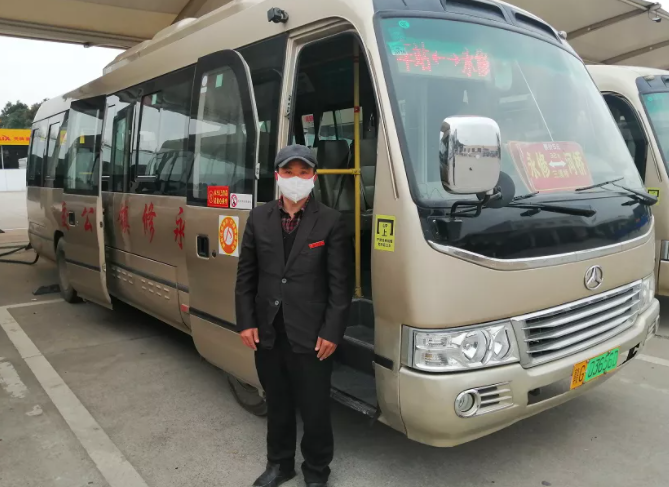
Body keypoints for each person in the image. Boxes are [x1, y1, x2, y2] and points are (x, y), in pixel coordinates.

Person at [235, 144, 353, 487]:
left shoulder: (330, 221)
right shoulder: (259, 218)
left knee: (315, 408)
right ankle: (280, 464)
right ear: (277, 176)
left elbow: (340, 285)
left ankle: (316, 471)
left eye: (303, 172)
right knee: (278, 402)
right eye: (289, 172)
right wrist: (246, 321)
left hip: (313, 334)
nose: (296, 179)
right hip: (268, 331)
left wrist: (332, 331)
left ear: (314, 177)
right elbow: (246, 275)